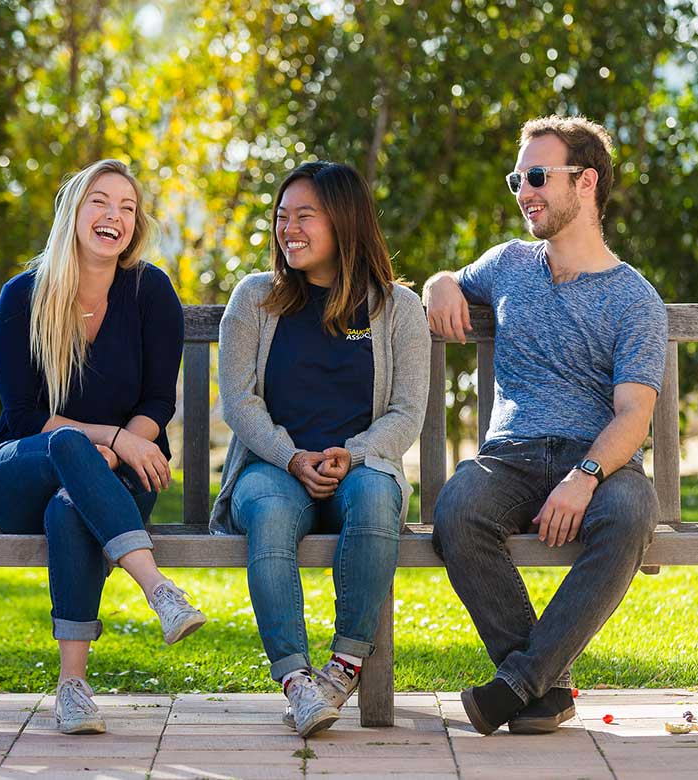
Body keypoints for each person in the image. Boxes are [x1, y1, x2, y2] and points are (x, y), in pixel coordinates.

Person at [425, 116, 667, 735]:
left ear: (585, 182)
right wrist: (440, 284)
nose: (524, 192)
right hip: (511, 457)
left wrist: (585, 476)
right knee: (458, 509)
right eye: (517, 179)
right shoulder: (508, 264)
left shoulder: (633, 298)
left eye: (537, 177)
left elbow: (634, 414)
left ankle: (518, 685)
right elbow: (450, 279)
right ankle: (540, 689)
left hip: (596, 460)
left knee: (632, 512)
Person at [0, 159, 206, 736]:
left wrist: (118, 449)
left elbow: (159, 402)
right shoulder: (24, 296)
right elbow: (28, 416)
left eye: (127, 208)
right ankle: (159, 590)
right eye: (101, 202)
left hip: (117, 480)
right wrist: (111, 440)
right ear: (73, 212)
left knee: (70, 505)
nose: (115, 216)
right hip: (21, 469)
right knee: (70, 449)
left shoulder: (149, 291)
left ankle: (73, 689)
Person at [210, 161, 430, 737]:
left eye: (305, 216)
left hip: (361, 467)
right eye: (282, 217)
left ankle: (343, 667)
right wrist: (292, 457)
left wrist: (352, 454)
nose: (289, 229)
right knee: (270, 509)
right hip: (272, 468)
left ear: (345, 221)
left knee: (378, 500)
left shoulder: (398, 309)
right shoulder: (256, 298)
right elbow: (239, 401)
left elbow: (407, 412)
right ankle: (297, 683)